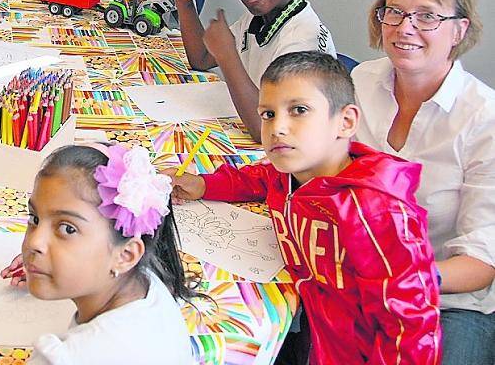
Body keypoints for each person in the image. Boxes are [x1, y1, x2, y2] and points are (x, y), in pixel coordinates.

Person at [166, 51, 441, 363]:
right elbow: (261, 178)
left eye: (298, 110)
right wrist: (204, 184)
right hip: (311, 325)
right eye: (268, 114)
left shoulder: (376, 213)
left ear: (346, 122)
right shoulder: (292, 171)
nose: (278, 128)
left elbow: (410, 326)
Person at [0, 144, 197, 364]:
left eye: (67, 229)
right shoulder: (149, 283)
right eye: (35, 219)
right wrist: (52, 267)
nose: (34, 242)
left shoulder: (66, 357)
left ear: (126, 255)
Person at [351, 0, 495, 364]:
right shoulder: (362, 81)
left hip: (446, 301)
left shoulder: (483, 119)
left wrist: (398, 277)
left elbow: (481, 262)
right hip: (358, 280)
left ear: (459, 29)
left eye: (427, 16)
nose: (405, 27)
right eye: (394, 11)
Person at [174, 0, 335, 141]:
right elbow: (201, 59)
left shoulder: (304, 40)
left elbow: (268, 129)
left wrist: (228, 55)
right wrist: (184, 2)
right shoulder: (257, 18)